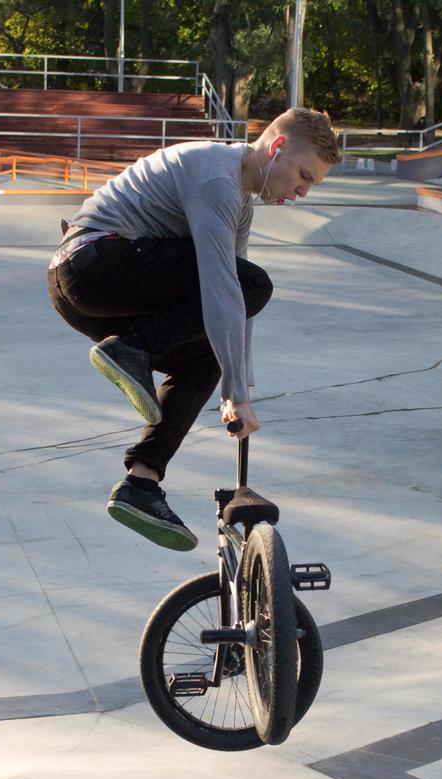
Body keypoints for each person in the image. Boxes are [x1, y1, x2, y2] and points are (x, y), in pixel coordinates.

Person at [47, 106, 340, 551]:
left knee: (207, 355)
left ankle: (141, 482)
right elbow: (227, 287)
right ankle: (131, 349)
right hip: (94, 264)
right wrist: (238, 392)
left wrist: (235, 391)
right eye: (304, 176)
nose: (301, 192)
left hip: (88, 295)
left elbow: (234, 307)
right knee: (253, 281)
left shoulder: (239, 203)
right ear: (276, 147)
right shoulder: (217, 179)